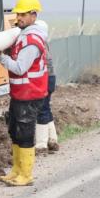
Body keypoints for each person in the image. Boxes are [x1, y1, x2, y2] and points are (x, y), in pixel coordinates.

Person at [0, 0, 49, 186]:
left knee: (25, 132)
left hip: (30, 94)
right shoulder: (22, 36)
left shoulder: (32, 41)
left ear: (33, 16)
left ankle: (26, 174)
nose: (18, 17)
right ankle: (16, 170)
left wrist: (0, 57)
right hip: (21, 93)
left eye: (22, 14)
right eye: (17, 14)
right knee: (15, 130)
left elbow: (19, 68)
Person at [33, 19, 59, 152]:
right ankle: (52, 139)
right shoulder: (44, 42)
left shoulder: (38, 44)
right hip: (50, 78)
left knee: (42, 109)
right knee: (46, 108)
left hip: (45, 78)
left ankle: (41, 143)